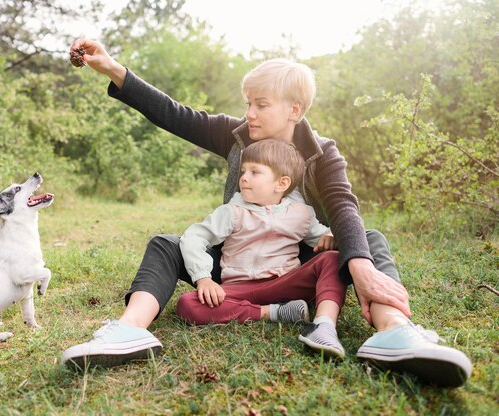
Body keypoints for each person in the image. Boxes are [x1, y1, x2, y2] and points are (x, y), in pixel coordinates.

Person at [60, 38, 472, 388]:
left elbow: (344, 206)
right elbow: (175, 114)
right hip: (235, 266)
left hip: (297, 266)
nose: (250, 114)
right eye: (247, 104)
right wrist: (112, 68)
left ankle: (395, 332)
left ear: (294, 110)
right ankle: (129, 331)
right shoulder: (236, 135)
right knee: (166, 246)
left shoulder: (323, 152)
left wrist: (360, 266)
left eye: (261, 104)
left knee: (371, 241)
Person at [176, 139, 347, 359]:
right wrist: (203, 278)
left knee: (331, 259)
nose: (244, 177)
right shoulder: (232, 212)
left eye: (255, 172)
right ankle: (275, 313)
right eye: (244, 171)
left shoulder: (302, 213)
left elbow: (323, 237)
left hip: (285, 283)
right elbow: (193, 237)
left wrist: (332, 234)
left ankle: (323, 325)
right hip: (240, 288)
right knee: (187, 304)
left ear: (281, 183)